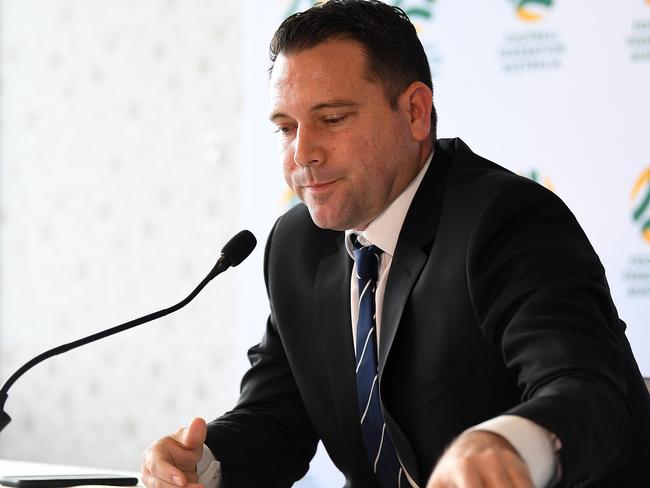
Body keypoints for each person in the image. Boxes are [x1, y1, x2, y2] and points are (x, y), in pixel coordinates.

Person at [141, 1, 650, 487]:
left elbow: (588, 391)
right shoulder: (297, 246)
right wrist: (201, 464)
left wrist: (509, 445)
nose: (303, 153)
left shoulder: (506, 221)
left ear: (415, 112)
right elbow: (276, 420)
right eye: (286, 128)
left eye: (332, 119)